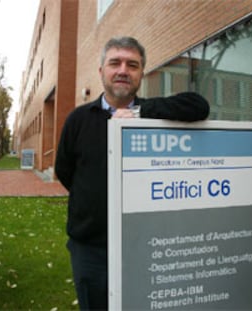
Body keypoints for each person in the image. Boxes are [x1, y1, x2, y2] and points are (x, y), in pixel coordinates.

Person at [55, 36, 209, 310]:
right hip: (91, 249)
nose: (123, 70)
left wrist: (138, 113)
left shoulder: (155, 116)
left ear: (141, 73)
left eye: (132, 65)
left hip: (145, 247)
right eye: (115, 63)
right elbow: (65, 172)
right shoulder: (78, 119)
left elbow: (198, 106)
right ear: (101, 71)